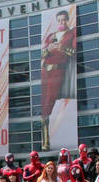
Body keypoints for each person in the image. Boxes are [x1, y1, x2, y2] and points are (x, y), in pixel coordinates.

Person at [40, 9, 77, 151]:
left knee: (49, 103)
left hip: (59, 70)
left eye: (64, 20)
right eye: (59, 20)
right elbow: (42, 53)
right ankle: (45, 140)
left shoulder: (71, 33)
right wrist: (48, 48)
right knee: (44, 104)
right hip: (45, 71)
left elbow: (74, 53)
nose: (61, 22)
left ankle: (47, 142)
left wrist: (63, 48)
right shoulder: (51, 35)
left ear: (67, 20)